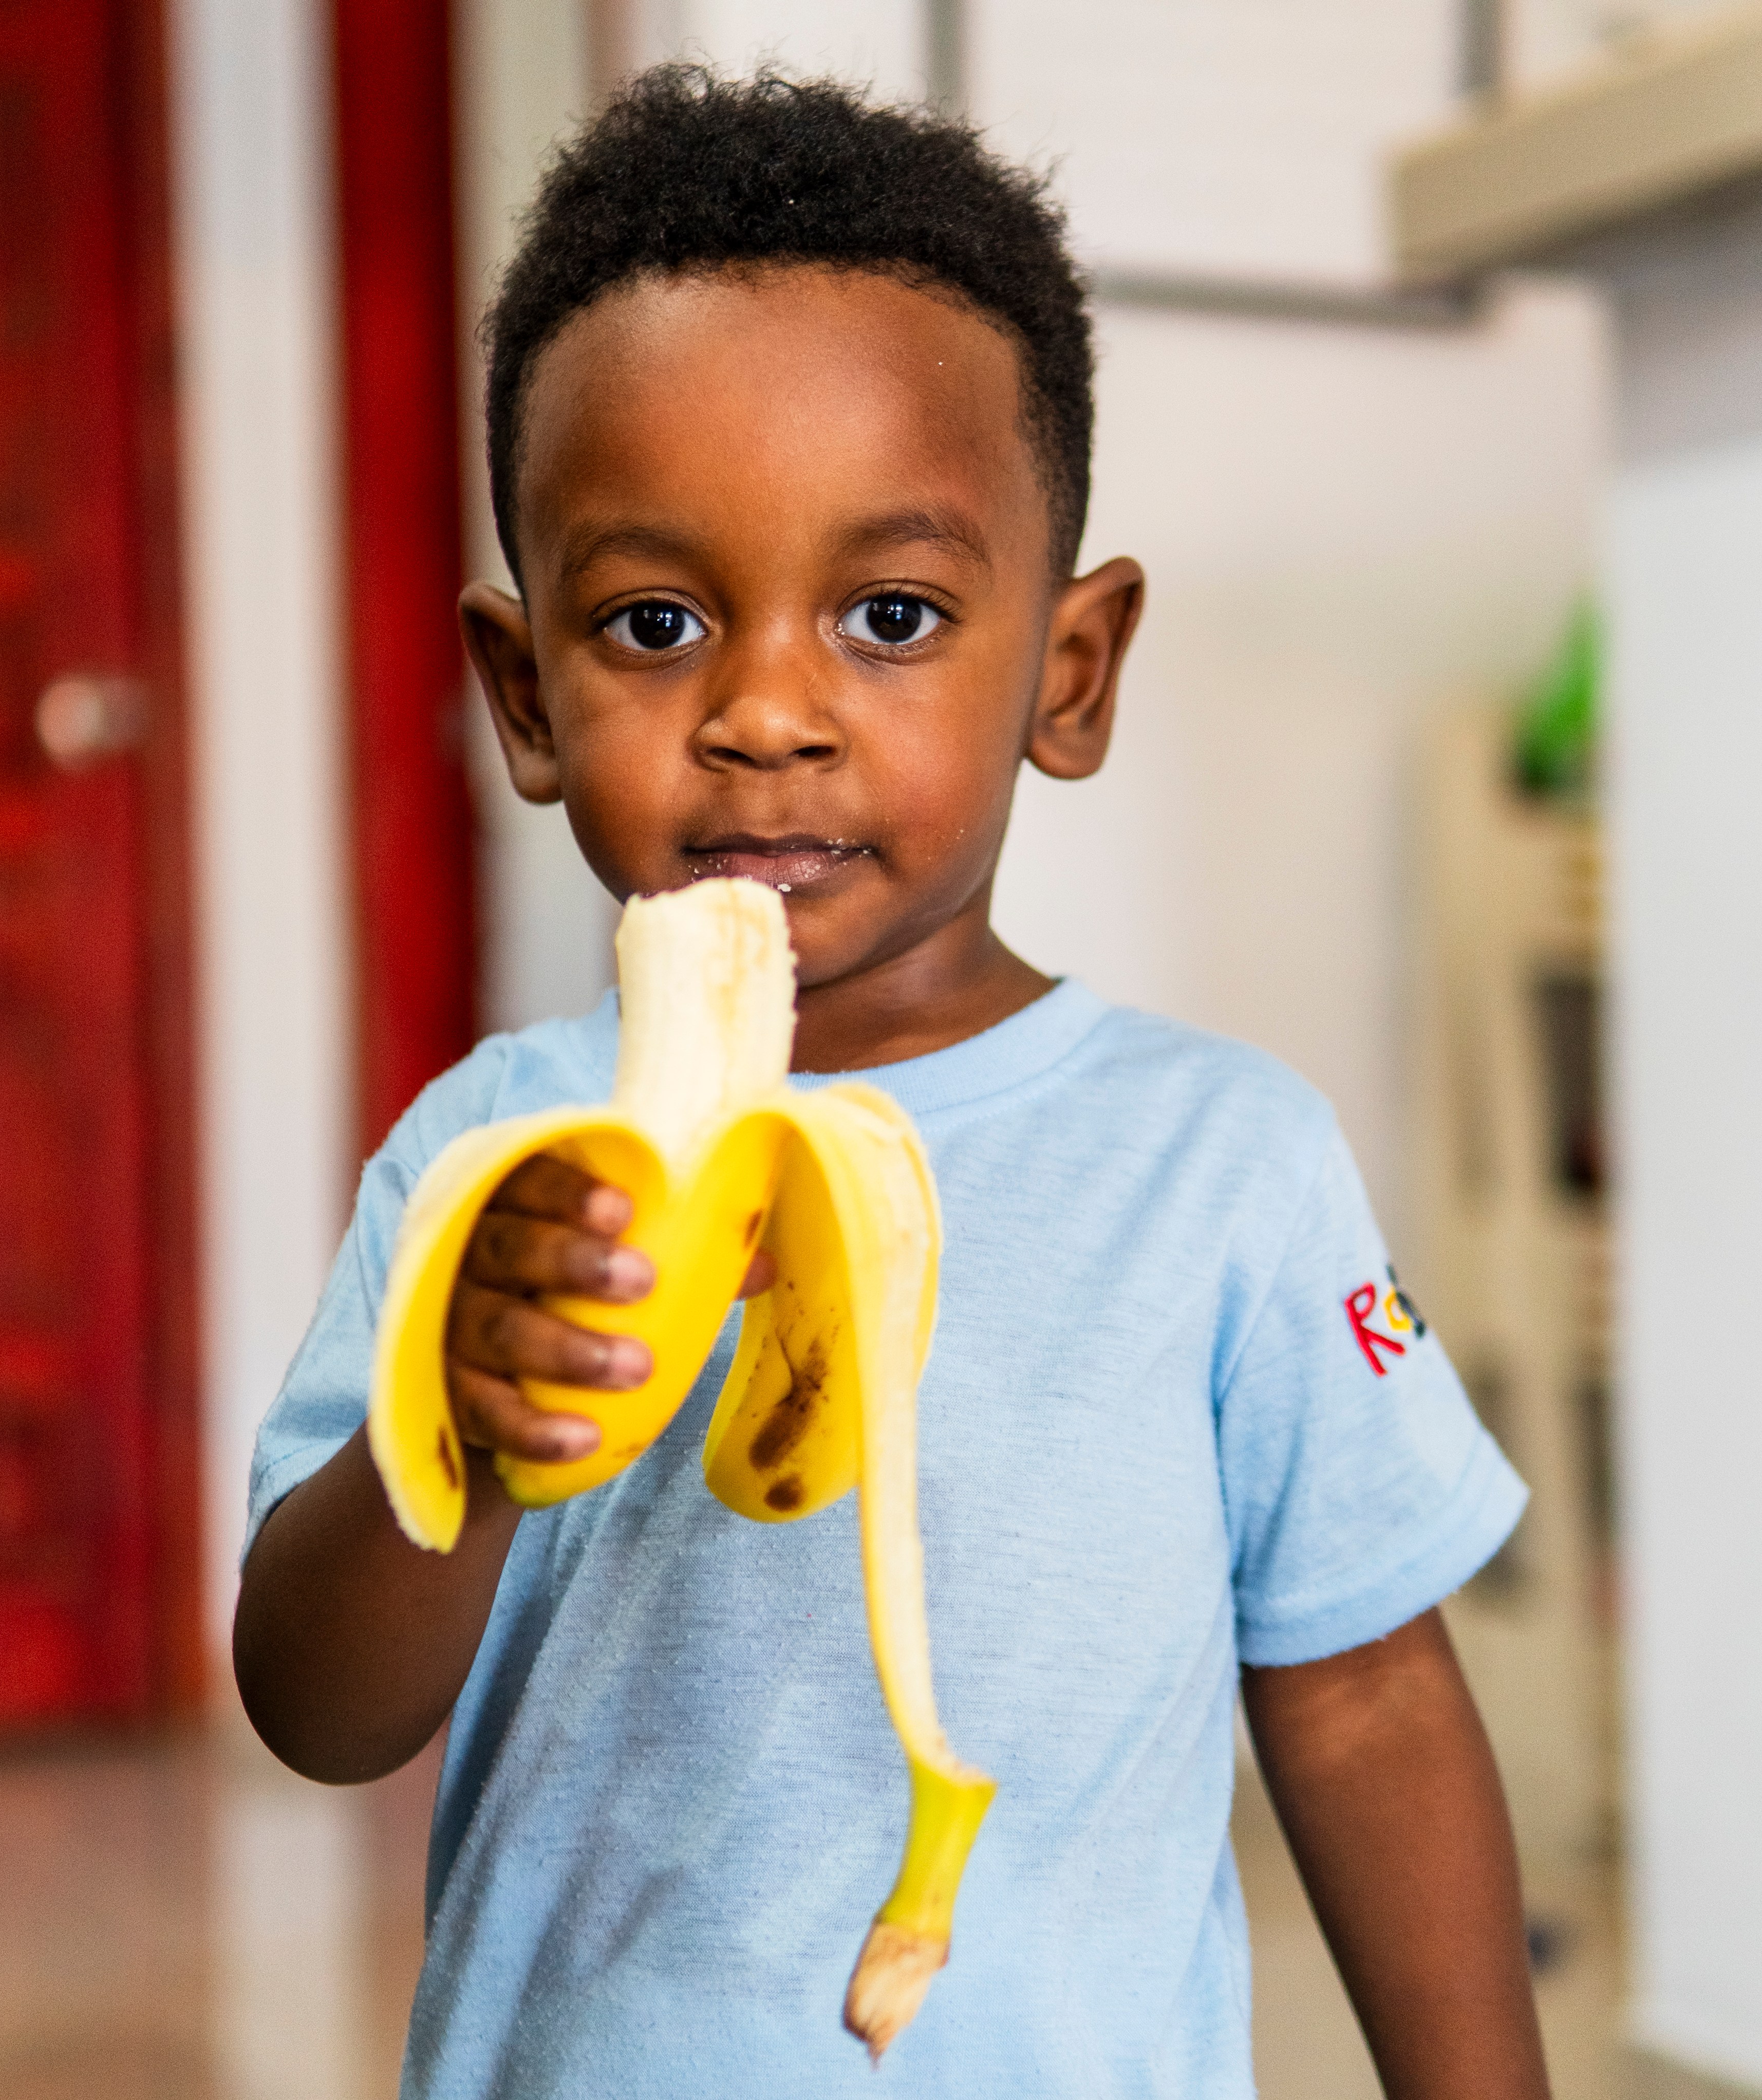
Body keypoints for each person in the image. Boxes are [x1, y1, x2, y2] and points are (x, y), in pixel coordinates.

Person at [234, 66, 1549, 2100]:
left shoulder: (1222, 1165)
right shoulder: (490, 1163)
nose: (766, 711)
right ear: (525, 700)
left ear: (1071, 672)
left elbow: (1368, 1700)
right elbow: (315, 1707)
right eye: (656, 621)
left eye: (894, 614)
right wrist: (476, 1437)